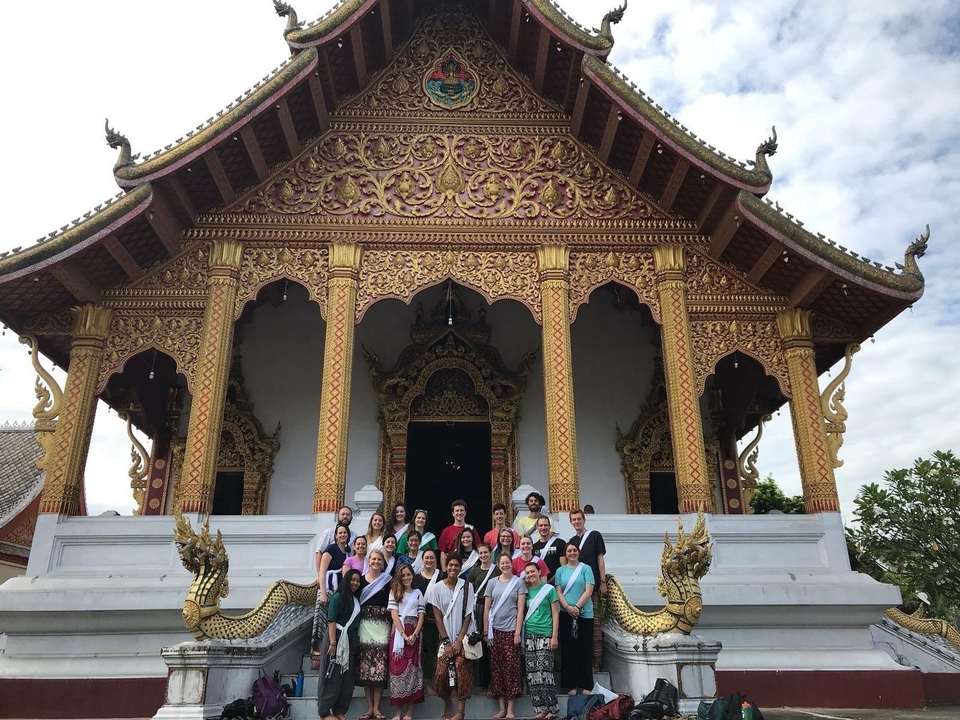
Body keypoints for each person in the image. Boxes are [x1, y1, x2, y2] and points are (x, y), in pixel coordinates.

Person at [425, 554, 476, 720]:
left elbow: (468, 614)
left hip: (463, 638)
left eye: (456, 565)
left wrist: (459, 640)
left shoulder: (467, 587)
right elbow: (437, 617)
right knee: (441, 674)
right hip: (445, 638)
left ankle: (460, 712)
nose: (453, 568)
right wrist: (447, 642)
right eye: (450, 565)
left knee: (462, 671)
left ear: (460, 568)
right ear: (446, 567)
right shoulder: (437, 588)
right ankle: (447, 702)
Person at [483, 552, 525, 720]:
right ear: (499, 565)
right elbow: (487, 608)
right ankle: (501, 708)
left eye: (508, 563)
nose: (505, 565)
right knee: (497, 668)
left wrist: (517, 632)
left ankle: (510, 709)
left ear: (511, 564)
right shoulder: (492, 583)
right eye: (502, 563)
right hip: (495, 632)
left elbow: (520, 609)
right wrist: (486, 631)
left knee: (511, 669)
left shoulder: (518, 583)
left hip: (510, 631)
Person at [317, 569, 363, 720]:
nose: (355, 583)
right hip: (335, 639)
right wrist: (333, 643)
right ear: (347, 580)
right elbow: (331, 620)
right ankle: (325, 712)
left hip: (350, 640)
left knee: (347, 677)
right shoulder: (337, 597)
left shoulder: (355, 600)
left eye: (358, 581)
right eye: (353, 580)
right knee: (331, 675)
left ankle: (339, 710)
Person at [567, 507, 607, 671]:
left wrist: (603, 581)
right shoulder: (571, 542)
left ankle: (595, 662)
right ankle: (579, 663)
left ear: (584, 519)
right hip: (575, 591)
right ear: (570, 522)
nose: (577, 522)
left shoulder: (594, 536)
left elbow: (600, 560)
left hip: (592, 587)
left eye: (579, 519)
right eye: (574, 519)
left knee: (594, 627)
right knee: (577, 627)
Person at [553, 543, 595, 695]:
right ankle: (570, 685)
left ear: (579, 552)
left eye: (574, 550)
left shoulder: (586, 569)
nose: (572, 553)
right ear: (566, 553)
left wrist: (576, 607)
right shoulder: (560, 571)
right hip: (565, 612)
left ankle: (586, 685)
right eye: (569, 551)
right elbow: (558, 591)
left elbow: (589, 590)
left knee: (584, 648)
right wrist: (567, 607)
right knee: (568, 649)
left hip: (584, 613)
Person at [520, 561, 560, 720]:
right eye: (527, 573)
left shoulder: (549, 590)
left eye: (532, 571)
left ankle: (553, 709)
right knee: (533, 674)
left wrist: (555, 636)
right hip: (530, 634)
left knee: (545, 672)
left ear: (539, 571)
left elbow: (556, 614)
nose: (530, 575)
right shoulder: (527, 591)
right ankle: (541, 709)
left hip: (546, 634)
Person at [357, 549, 393, 720]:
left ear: (382, 562)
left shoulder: (388, 581)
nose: (376, 561)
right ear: (368, 561)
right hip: (365, 626)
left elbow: (394, 602)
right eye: (373, 559)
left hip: (382, 627)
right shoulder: (361, 581)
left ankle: (377, 708)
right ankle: (369, 708)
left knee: (379, 666)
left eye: (379, 559)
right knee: (366, 668)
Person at [388, 563, 426, 719]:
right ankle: (398, 712)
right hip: (398, 633)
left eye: (408, 574)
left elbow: (421, 615)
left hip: (414, 632)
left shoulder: (418, 593)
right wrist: (403, 635)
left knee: (413, 671)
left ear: (412, 575)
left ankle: (409, 711)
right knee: (396, 671)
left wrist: (415, 634)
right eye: (403, 575)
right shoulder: (394, 592)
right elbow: (394, 615)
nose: (406, 577)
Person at [313, 523, 352, 663]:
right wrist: (323, 592)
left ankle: (331, 644)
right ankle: (317, 648)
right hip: (328, 586)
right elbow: (322, 571)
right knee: (322, 616)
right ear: (335, 535)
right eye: (340, 533)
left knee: (334, 616)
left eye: (344, 533)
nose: (342, 535)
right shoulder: (331, 549)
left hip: (338, 588)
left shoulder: (347, 551)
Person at [467, 542, 498, 694]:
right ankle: (481, 683)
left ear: (490, 553)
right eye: (481, 553)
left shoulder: (497, 571)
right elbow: (468, 589)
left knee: (491, 647)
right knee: (478, 644)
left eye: (486, 552)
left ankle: (492, 683)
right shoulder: (475, 571)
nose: (483, 555)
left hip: (494, 610)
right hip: (478, 609)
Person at [413, 548, 442, 691]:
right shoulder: (416, 579)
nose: (429, 560)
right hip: (422, 621)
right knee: (426, 653)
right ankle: (427, 682)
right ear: (422, 560)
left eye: (432, 558)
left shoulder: (441, 576)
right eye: (426, 558)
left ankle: (440, 682)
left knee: (440, 652)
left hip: (440, 620)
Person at [439, 500, 480, 567]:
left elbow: (478, 549)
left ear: (465, 512)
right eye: (457, 511)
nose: (459, 513)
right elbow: (443, 553)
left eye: (461, 510)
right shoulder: (446, 531)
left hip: (470, 566)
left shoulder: (472, 529)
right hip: (452, 567)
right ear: (453, 513)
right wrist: (444, 570)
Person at [532, 516, 567, 582]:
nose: (543, 528)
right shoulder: (534, 547)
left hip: (557, 581)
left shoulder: (560, 543)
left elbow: (563, 567)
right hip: (540, 583)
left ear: (550, 527)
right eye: (541, 525)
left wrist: (551, 580)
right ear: (537, 527)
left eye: (545, 525)